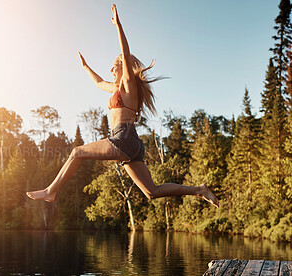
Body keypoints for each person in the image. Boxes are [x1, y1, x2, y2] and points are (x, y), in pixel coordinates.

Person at [26, 4, 219, 208]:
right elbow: (99, 82)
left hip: (123, 137)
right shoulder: (118, 88)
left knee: (77, 153)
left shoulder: (128, 84)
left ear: (123, 68)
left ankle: (51, 191)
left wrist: (118, 26)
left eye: (114, 66)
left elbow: (125, 54)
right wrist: (85, 67)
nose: (111, 69)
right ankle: (199, 190)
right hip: (131, 142)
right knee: (151, 192)